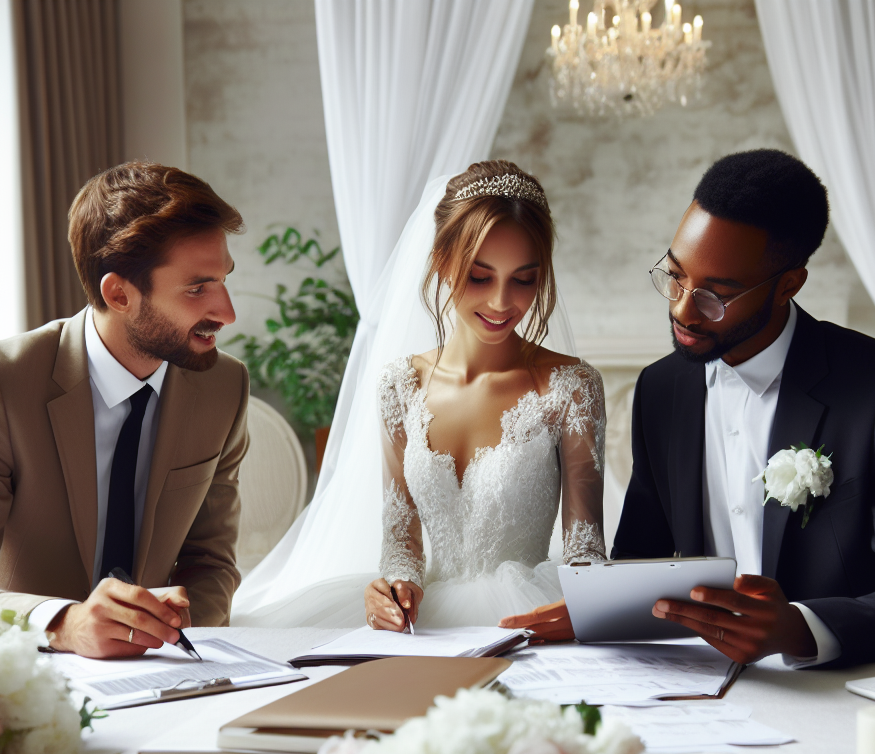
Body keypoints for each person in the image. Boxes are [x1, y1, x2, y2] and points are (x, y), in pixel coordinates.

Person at [504, 150, 875, 668]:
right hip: (690, 684)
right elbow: (644, 562)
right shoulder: (660, 389)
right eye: (676, 276)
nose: (683, 308)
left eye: (717, 295)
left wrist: (803, 629)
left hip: (837, 691)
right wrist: (598, 608)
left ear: (787, 286)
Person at [229, 162, 606, 628]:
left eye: (523, 279)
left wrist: (580, 613)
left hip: (529, 618)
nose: (501, 302)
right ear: (442, 262)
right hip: (428, 622)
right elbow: (400, 542)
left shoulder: (571, 387)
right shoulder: (399, 386)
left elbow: (585, 548)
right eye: (480, 276)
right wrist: (391, 590)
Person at [0, 162, 250, 658]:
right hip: (23, 670)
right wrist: (61, 624)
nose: (227, 312)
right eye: (197, 288)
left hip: (164, 672)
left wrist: (171, 636)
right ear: (119, 294)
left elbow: (211, 561)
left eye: (223, 280)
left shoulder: (224, 385)